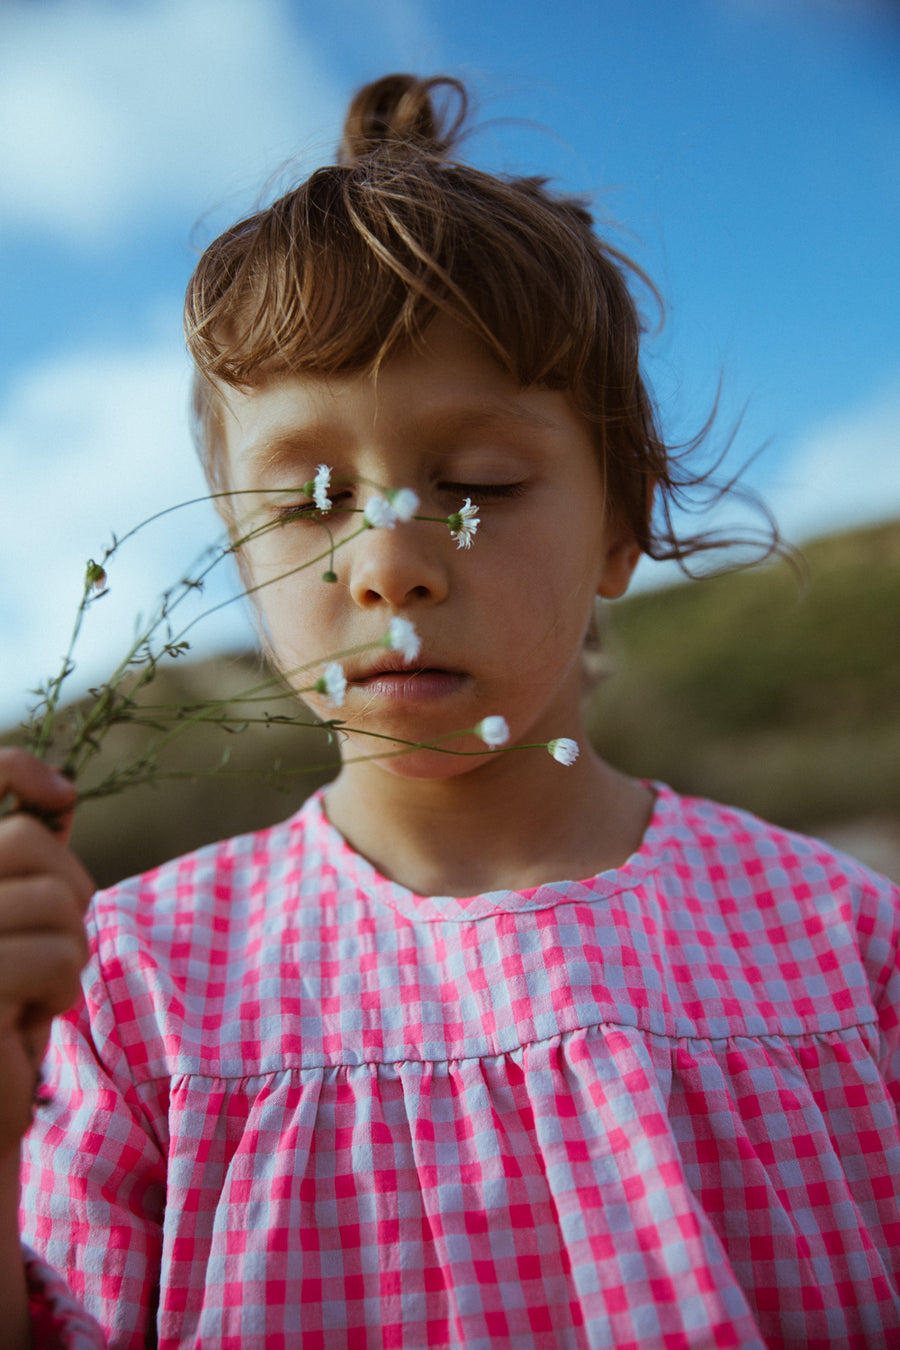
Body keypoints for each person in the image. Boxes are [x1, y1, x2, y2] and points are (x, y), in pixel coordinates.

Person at [2, 72, 899, 1349]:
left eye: (477, 479)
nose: (387, 562)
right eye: (309, 500)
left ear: (620, 525)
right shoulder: (135, 990)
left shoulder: (841, 948)